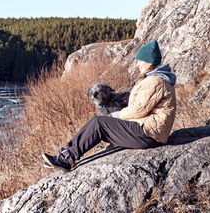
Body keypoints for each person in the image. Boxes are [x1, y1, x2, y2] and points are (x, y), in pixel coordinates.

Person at [42, 40, 177, 171]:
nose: (137, 64)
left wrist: (116, 115)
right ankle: (68, 155)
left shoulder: (155, 81)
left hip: (148, 134)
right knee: (100, 123)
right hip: (149, 132)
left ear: (149, 62)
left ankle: (66, 158)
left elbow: (138, 110)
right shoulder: (155, 79)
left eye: (140, 61)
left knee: (98, 123)